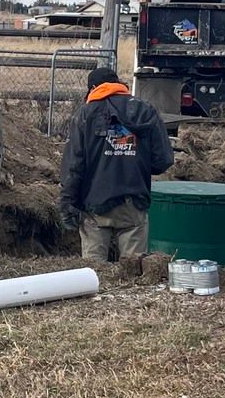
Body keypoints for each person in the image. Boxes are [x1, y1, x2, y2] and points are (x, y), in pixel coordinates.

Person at [59, 65, 173, 266]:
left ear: (93, 88)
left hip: (94, 206)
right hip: (133, 202)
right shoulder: (145, 110)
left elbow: (74, 166)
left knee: (92, 271)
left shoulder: (84, 115)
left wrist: (68, 203)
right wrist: (135, 161)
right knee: (134, 270)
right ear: (118, 84)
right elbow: (162, 160)